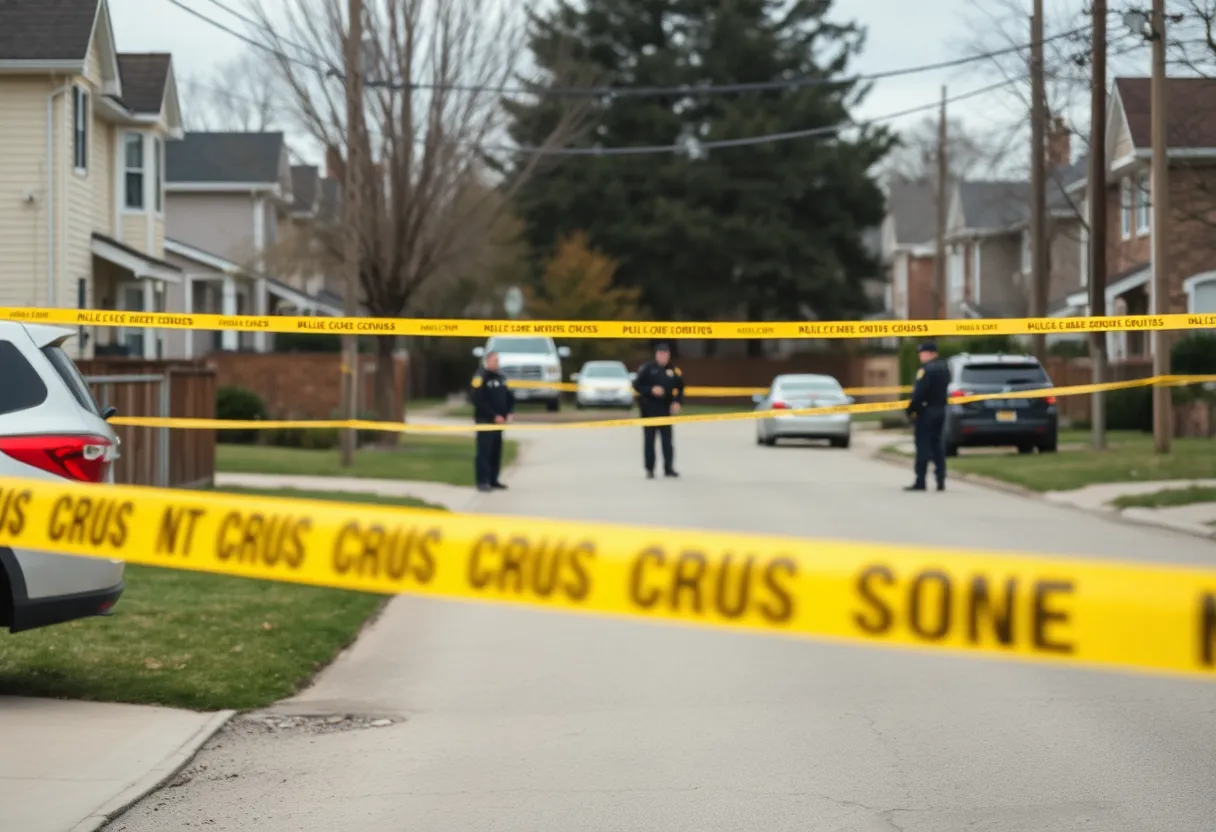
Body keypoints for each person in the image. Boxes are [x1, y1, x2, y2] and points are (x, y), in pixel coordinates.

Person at [632, 343, 685, 479]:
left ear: (669, 355)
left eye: (665, 354)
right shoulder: (647, 369)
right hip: (648, 409)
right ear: (656, 355)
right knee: (649, 441)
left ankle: (669, 468)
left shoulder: (673, 370)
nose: (663, 356)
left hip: (665, 410)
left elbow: (680, 387)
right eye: (660, 354)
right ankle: (650, 469)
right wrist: (650, 390)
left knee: (667, 441)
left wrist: (676, 401)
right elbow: (636, 384)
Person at [905, 340, 950, 492]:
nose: (920, 356)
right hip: (940, 411)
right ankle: (940, 479)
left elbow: (919, 393)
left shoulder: (925, 370)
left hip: (926, 412)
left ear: (932, 354)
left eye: (923, 353)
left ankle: (920, 481)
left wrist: (911, 409)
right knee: (937, 446)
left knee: (923, 446)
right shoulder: (944, 368)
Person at [470, 350, 514, 493]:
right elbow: (478, 399)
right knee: (484, 452)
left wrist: (509, 412)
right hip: (485, 421)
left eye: (498, 361)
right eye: (494, 361)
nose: (497, 363)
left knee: (496, 452)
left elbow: (509, 396)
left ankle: (493, 480)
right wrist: (493, 415)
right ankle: (482, 481)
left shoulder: (501, 377)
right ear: (487, 361)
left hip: (499, 422)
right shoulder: (479, 377)